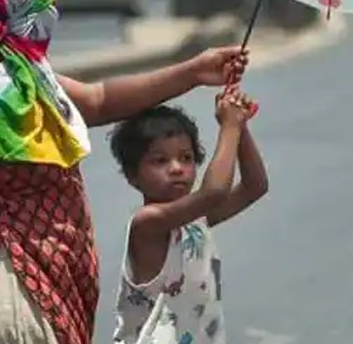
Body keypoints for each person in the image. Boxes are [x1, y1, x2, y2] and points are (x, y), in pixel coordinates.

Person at [0, 0, 249, 344]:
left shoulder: (31, 76)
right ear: (21, 6)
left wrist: (194, 72)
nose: (52, 12)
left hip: (49, 282)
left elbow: (100, 100)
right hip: (5, 284)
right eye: (45, 2)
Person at [109, 89, 268, 344]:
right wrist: (230, 126)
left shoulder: (195, 219)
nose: (176, 168)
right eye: (160, 161)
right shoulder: (147, 223)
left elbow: (255, 185)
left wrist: (240, 125)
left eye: (186, 158)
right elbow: (214, 192)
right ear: (132, 176)